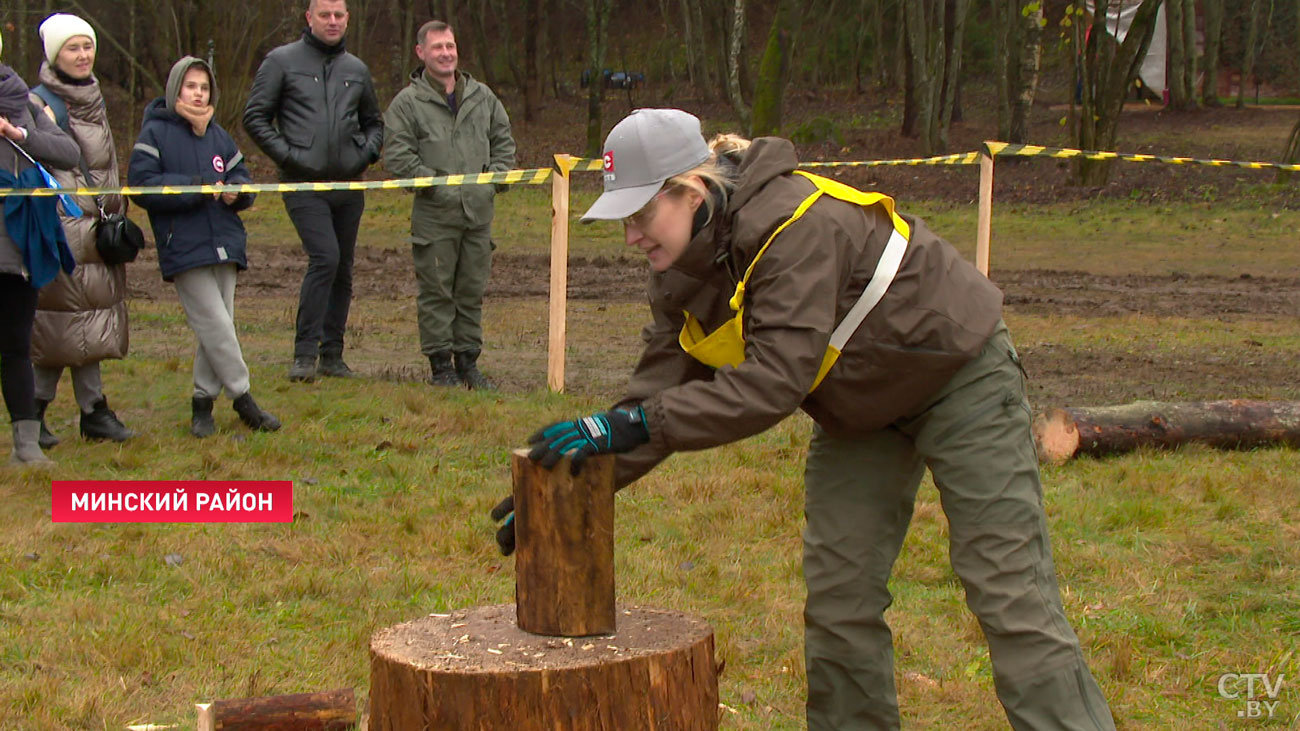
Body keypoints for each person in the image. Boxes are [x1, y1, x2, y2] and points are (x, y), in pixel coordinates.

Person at [496, 109, 1117, 730]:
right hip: (861, 411)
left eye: (639, 216)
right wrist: (569, 484)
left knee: (1007, 590)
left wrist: (631, 426)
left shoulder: (794, 225)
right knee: (840, 601)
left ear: (691, 192)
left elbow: (772, 382)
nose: (631, 237)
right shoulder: (678, 272)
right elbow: (653, 398)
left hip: (958, 375)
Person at [127, 57, 281, 438]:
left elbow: (240, 175)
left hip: (226, 241)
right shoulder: (154, 133)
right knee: (214, 323)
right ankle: (243, 396)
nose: (198, 94)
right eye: (191, 86)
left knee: (218, 327)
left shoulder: (219, 135)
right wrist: (197, 186)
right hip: (184, 244)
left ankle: (202, 403)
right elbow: (143, 185)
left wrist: (237, 193)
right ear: (176, 88)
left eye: (204, 87)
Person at [243, 0, 383, 383]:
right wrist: (290, 157)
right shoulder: (280, 61)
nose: (333, 21)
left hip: (348, 185)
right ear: (309, 18)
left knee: (343, 269)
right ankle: (304, 354)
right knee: (325, 258)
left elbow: (374, 122)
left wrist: (366, 153)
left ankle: (332, 355)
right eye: (325, 15)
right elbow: (254, 117)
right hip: (303, 185)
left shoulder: (357, 69)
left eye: (339, 15)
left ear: (348, 18)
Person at [382, 20, 515, 389]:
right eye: (437, 47)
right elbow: (398, 157)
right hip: (434, 216)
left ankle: (468, 361)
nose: (446, 53)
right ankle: (441, 365)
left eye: (450, 46)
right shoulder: (407, 104)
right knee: (437, 292)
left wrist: (496, 181)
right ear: (421, 53)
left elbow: (503, 140)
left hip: (478, 214)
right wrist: (436, 187)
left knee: (471, 291)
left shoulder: (482, 97)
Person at [27, 13, 133, 444]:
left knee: (84, 318)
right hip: (61, 224)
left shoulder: (93, 97)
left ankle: (88, 411)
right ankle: (36, 410)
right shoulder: (38, 102)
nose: (83, 55)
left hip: (98, 225)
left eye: (87, 46)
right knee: (60, 319)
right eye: (72, 48)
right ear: (54, 54)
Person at [0, 34, 81, 465]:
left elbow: (68, 152)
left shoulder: (23, 101)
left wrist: (19, 133)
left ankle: (26, 447)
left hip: (18, 251)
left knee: (16, 347)